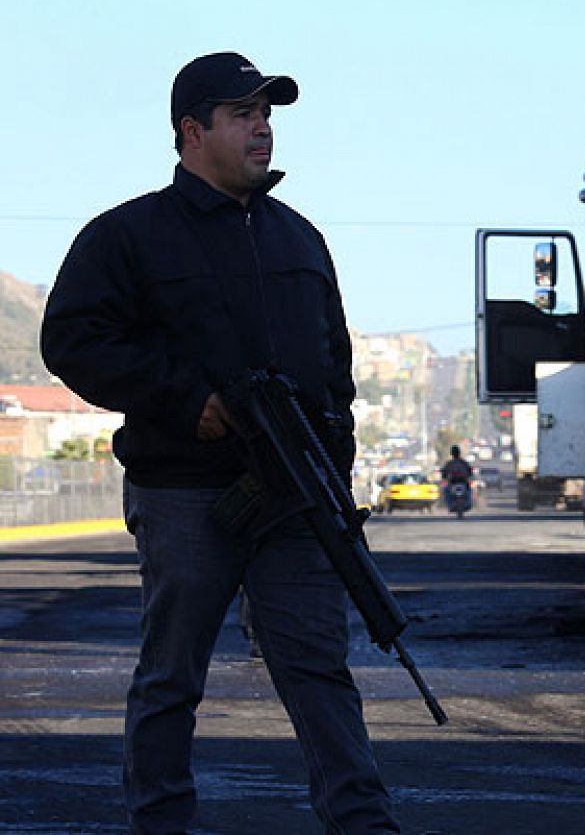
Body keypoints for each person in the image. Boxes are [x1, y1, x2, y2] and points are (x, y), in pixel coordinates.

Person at [39, 52, 399, 833]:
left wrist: (333, 472)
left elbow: (333, 367)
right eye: (243, 114)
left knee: (319, 669)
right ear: (192, 132)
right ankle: (160, 821)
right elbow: (73, 341)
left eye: (267, 114)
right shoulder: (127, 235)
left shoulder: (299, 237)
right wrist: (185, 401)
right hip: (186, 492)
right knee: (173, 676)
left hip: (296, 499)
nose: (262, 128)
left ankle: (363, 822)